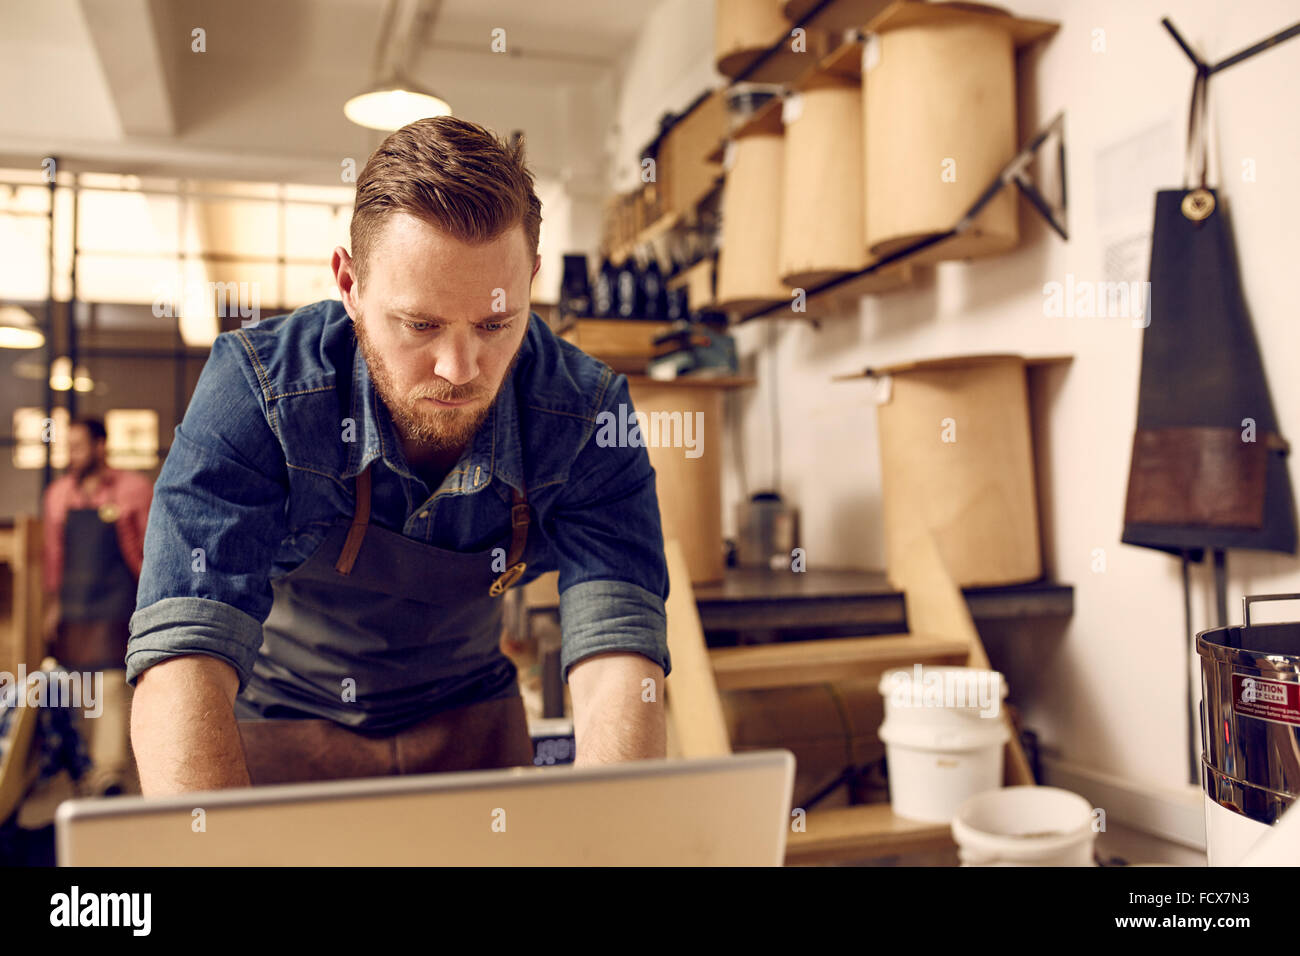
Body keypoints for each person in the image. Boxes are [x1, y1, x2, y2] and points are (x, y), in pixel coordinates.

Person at [127, 117, 673, 795]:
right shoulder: (258, 393)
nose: (458, 366)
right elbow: (185, 651)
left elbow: (621, 654)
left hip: (473, 730)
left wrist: (613, 845)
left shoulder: (586, 414)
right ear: (350, 283)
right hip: (283, 726)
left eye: (495, 324)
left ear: (532, 280)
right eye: (421, 325)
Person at [41, 416, 153, 795]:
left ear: (101, 446)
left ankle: (107, 772)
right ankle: (81, 771)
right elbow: (54, 555)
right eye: (66, 447)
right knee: (74, 688)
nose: (71, 455)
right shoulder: (57, 495)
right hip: (74, 603)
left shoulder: (134, 490)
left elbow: (148, 554)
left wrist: (149, 603)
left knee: (108, 686)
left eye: (78, 446)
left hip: (117, 601)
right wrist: (53, 605)